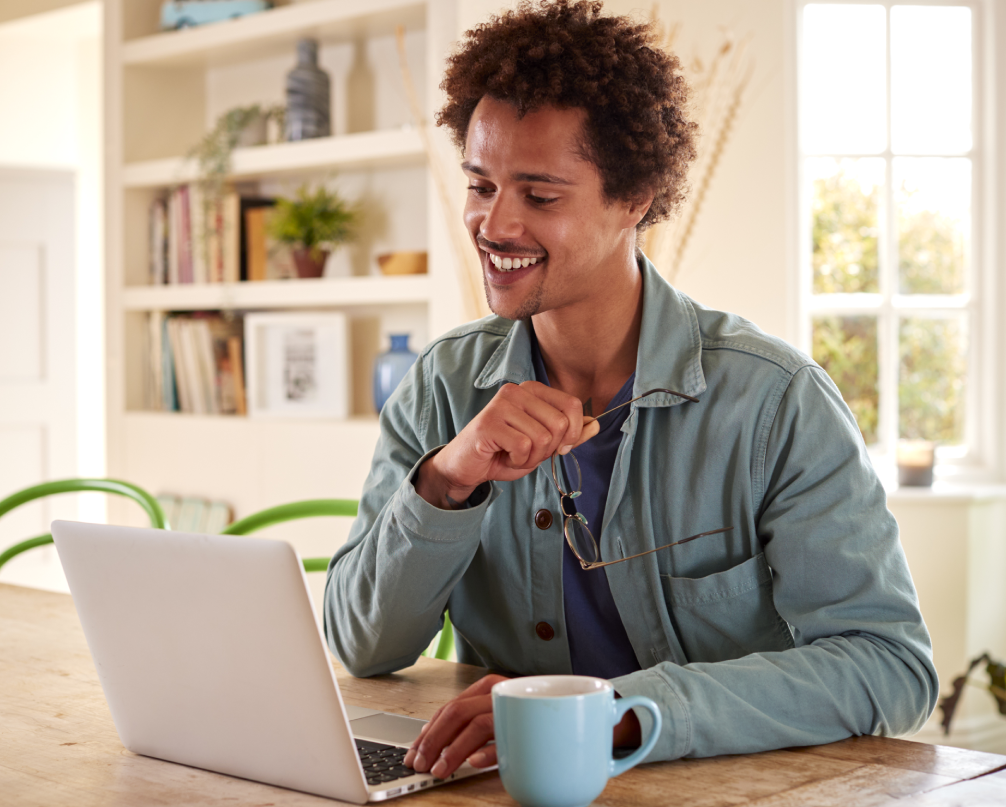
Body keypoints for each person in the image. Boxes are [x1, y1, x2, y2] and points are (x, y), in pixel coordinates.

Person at [323, 0, 937, 774]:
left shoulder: (775, 401)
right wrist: (447, 479)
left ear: (634, 199)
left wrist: (619, 712)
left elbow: (887, 664)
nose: (492, 223)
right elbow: (362, 644)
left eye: (539, 196)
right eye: (480, 185)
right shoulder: (443, 386)